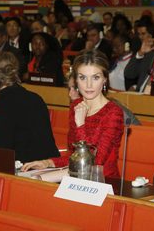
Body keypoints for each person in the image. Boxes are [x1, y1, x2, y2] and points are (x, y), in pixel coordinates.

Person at [22, 49, 124, 178]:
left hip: (103, 183)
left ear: (104, 79)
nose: (88, 85)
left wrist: (80, 124)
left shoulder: (114, 113)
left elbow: (93, 162)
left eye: (95, 77)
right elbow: (74, 155)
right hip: (76, 178)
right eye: (82, 77)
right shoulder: (76, 106)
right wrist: (48, 162)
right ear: (76, 80)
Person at [0, 51, 60, 164]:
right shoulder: (36, 98)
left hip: (26, 171)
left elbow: (0, 154)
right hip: (50, 166)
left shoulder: (1, 107)